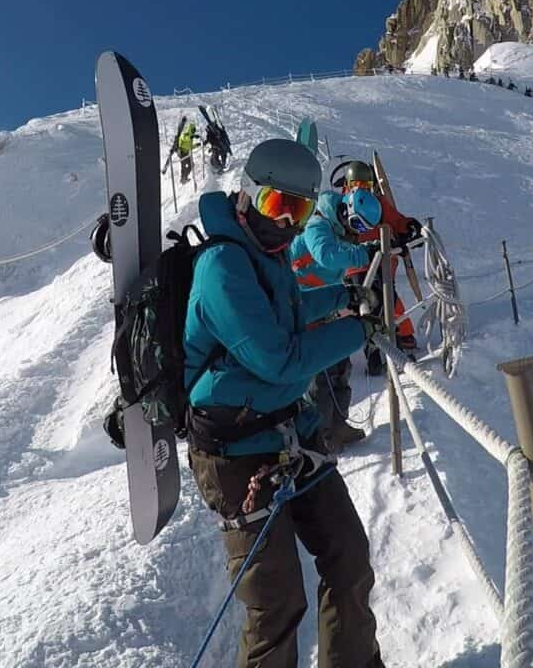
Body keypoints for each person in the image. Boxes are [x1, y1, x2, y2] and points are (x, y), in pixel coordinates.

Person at [184, 138, 386, 668]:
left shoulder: (267, 256)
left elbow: (293, 310)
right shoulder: (223, 266)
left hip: (289, 431)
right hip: (235, 454)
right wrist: (357, 331)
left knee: (348, 559)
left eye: (299, 209)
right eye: (278, 205)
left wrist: (344, 297)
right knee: (276, 605)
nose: (289, 223)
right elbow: (279, 358)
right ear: (249, 196)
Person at [290, 187, 383, 449]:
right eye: (355, 223)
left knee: (341, 365)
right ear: (345, 210)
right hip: (304, 307)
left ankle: (338, 425)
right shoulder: (317, 223)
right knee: (320, 376)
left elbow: (341, 250)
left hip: (325, 305)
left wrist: (371, 245)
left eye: (361, 228)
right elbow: (327, 256)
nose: (355, 231)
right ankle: (320, 434)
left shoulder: (337, 228)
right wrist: (364, 253)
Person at [336, 160, 421, 375]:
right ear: (348, 183)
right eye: (357, 184)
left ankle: (402, 339)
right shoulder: (341, 205)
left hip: (382, 259)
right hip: (354, 266)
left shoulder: (378, 203)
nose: (362, 189)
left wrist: (409, 227)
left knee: (387, 299)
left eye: (366, 185)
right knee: (364, 306)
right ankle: (373, 353)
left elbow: (396, 219)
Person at [177, 119, 197, 184]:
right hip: (182, 152)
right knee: (183, 166)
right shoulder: (185, 134)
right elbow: (184, 138)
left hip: (187, 153)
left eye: (194, 131)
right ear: (190, 129)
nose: (194, 132)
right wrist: (192, 136)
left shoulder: (191, 137)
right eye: (193, 130)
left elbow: (190, 146)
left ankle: (185, 177)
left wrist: (196, 145)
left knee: (191, 165)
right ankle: (183, 179)